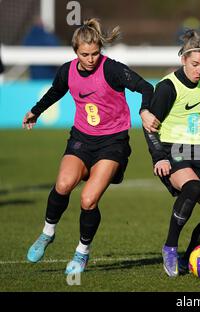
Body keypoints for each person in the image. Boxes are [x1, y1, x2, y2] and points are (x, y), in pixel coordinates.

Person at [23, 18, 155, 274]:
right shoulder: (67, 70)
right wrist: (35, 112)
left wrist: (145, 110)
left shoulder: (112, 69)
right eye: (85, 54)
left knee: (88, 199)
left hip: (113, 142)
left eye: (95, 53)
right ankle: (47, 233)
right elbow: (55, 91)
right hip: (82, 138)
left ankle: (82, 252)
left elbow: (145, 87)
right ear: (75, 52)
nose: (91, 59)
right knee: (62, 185)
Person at [140, 30, 200, 277]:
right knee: (191, 188)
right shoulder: (167, 87)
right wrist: (159, 157)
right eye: (195, 64)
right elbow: (149, 127)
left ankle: (189, 258)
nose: (199, 70)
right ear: (183, 59)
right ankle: (169, 247)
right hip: (170, 150)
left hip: (196, 152)